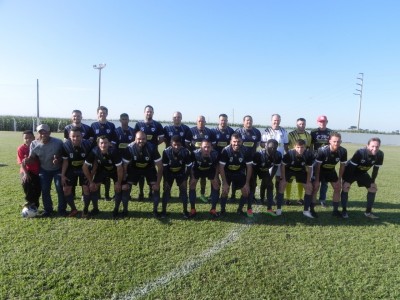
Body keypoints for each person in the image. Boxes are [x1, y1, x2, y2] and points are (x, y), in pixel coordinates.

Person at [25, 124, 65, 217]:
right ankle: (48, 210)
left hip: (57, 169)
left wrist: (58, 159)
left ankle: (62, 209)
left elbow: (64, 156)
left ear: (49, 133)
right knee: (45, 190)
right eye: (41, 133)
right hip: (44, 170)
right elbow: (32, 158)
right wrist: (27, 160)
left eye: (45, 132)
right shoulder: (34, 144)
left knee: (60, 188)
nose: (43, 134)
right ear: (38, 133)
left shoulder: (58, 142)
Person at [122, 131, 163, 218]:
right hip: (134, 169)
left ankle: (155, 211)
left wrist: (158, 183)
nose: (141, 141)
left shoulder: (152, 148)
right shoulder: (129, 148)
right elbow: (124, 166)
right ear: (135, 139)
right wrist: (124, 182)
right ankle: (125, 210)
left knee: (156, 190)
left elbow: (160, 166)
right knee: (126, 189)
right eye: (139, 139)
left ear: (146, 139)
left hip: (149, 169)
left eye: (143, 139)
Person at [341, 137, 384, 219]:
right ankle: (344, 211)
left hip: (362, 172)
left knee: (373, 188)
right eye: (372, 146)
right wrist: (346, 181)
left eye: (377, 146)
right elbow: (351, 168)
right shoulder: (360, 153)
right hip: (350, 171)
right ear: (367, 145)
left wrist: (372, 182)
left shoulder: (380, 154)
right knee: (345, 188)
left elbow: (375, 170)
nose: (375, 149)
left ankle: (368, 212)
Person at [82, 136, 123, 218]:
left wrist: (118, 182)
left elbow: (119, 168)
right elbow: (84, 167)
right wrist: (91, 182)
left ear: (109, 143)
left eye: (105, 143)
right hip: (102, 170)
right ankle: (95, 209)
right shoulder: (94, 151)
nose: (103, 145)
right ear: (98, 144)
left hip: (114, 171)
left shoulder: (114, 151)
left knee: (118, 188)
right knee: (93, 188)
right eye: (101, 143)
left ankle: (116, 210)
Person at [276, 139, 315, 218]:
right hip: (289, 170)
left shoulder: (308, 155)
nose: (300, 149)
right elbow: (283, 165)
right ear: (294, 147)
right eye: (298, 147)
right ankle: (278, 209)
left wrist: (308, 181)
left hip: (301, 171)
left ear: (305, 147)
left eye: (302, 147)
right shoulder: (289, 154)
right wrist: (283, 178)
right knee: (281, 185)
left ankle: (306, 211)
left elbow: (309, 168)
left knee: (309, 188)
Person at [313, 132, 347, 218]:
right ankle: (311, 210)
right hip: (319, 170)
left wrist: (339, 180)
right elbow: (317, 166)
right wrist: (317, 180)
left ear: (341, 142)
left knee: (337, 188)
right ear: (330, 141)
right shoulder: (322, 150)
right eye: (334, 141)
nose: (336, 143)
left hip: (331, 170)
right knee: (315, 187)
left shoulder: (343, 151)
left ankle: (335, 211)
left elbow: (342, 166)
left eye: (338, 141)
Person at [61, 127, 93, 217]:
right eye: (73, 136)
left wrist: (91, 174)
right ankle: (73, 209)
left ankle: (85, 210)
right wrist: (63, 175)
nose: (75, 138)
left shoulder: (88, 144)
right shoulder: (65, 145)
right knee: (66, 189)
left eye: (78, 136)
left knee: (86, 189)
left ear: (82, 136)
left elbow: (93, 160)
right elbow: (65, 161)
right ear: (69, 137)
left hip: (85, 169)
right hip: (71, 169)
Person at [134, 105, 164, 200]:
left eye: (150, 111)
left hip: (152, 154)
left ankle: (151, 191)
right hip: (140, 152)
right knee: (140, 174)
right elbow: (135, 139)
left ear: (153, 113)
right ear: (144, 113)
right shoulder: (138, 125)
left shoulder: (157, 125)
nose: (149, 113)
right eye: (147, 111)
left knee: (151, 172)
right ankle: (141, 192)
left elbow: (162, 139)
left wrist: (153, 146)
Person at [219, 133, 253, 217]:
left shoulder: (246, 150)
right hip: (227, 173)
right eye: (234, 141)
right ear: (230, 141)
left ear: (242, 141)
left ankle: (239, 209)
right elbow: (221, 167)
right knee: (225, 191)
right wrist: (225, 183)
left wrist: (247, 183)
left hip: (239, 172)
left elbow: (249, 167)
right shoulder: (225, 151)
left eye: (238, 141)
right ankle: (222, 210)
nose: (236, 143)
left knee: (245, 191)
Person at [90, 106, 118, 201]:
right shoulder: (93, 125)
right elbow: (91, 140)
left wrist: (110, 147)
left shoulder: (111, 125)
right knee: (98, 173)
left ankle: (107, 195)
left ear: (107, 114)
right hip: (97, 154)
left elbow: (114, 140)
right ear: (97, 114)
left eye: (104, 113)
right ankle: (97, 194)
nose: (102, 114)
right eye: (100, 113)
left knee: (107, 174)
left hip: (108, 153)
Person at [162, 135, 193, 218]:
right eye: (174, 144)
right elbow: (164, 167)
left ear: (181, 144)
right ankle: (163, 212)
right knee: (166, 191)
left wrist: (185, 177)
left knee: (183, 191)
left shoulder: (185, 152)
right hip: (169, 173)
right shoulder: (166, 152)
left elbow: (189, 166)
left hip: (181, 173)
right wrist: (167, 178)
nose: (176, 147)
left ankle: (185, 211)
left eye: (178, 145)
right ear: (171, 143)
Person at [189, 140, 220, 218]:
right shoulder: (194, 153)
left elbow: (217, 166)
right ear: (201, 147)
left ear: (211, 148)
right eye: (204, 147)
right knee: (192, 184)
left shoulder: (215, 154)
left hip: (209, 169)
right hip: (197, 169)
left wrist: (216, 177)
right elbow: (190, 166)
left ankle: (213, 209)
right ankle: (192, 209)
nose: (206, 149)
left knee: (216, 185)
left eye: (208, 147)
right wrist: (192, 177)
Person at [188, 115, 216, 203]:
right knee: (192, 177)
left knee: (203, 178)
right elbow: (186, 144)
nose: (201, 123)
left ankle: (202, 194)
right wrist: (193, 153)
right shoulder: (191, 131)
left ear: (205, 122)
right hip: (194, 159)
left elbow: (213, 144)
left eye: (203, 121)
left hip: (206, 158)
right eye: (199, 121)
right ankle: (191, 195)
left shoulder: (209, 132)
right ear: (196, 122)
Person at [234, 115, 261, 202]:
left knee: (252, 178)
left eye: (250, 121)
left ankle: (251, 195)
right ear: (243, 122)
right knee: (237, 176)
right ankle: (233, 195)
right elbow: (234, 144)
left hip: (252, 159)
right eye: (247, 120)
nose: (249, 122)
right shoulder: (238, 131)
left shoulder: (256, 132)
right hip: (239, 159)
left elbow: (257, 144)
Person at [261, 114, 289, 198]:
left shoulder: (284, 131)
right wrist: (268, 146)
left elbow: (286, 146)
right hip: (268, 159)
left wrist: (287, 157)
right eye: (274, 120)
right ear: (271, 120)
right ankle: (263, 197)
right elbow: (262, 144)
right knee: (266, 178)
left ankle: (277, 196)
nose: (276, 122)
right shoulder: (266, 131)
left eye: (278, 120)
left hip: (279, 158)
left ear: (280, 121)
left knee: (278, 178)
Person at [286, 118, 312, 205]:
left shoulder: (308, 135)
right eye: (300, 124)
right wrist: (289, 155)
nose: (302, 126)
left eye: (303, 124)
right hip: (292, 159)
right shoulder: (291, 134)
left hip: (302, 160)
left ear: (305, 124)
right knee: (289, 180)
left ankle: (300, 198)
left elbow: (308, 147)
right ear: (297, 125)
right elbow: (287, 146)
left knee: (301, 180)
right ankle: (287, 198)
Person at [252, 139, 282, 215]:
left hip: (265, 170)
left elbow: (275, 167)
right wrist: (253, 179)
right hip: (256, 170)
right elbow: (253, 168)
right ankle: (250, 205)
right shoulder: (258, 154)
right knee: (252, 185)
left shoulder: (278, 155)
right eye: (271, 147)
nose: (273, 149)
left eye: (275, 148)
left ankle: (269, 208)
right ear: (266, 146)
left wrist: (270, 178)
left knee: (269, 185)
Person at [310, 115, 333, 207]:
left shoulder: (330, 132)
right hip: (316, 158)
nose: (322, 123)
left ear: (327, 122)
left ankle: (322, 199)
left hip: (326, 159)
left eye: (324, 121)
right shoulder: (313, 132)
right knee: (315, 180)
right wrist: (311, 156)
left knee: (325, 181)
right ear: (317, 122)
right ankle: (312, 198)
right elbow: (311, 145)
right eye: (320, 121)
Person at [17, 130, 41, 208]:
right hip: (26, 170)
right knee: (26, 183)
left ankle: (35, 204)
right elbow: (21, 163)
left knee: (37, 188)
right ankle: (29, 201)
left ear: (34, 138)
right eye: (26, 138)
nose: (28, 139)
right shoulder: (21, 149)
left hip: (37, 171)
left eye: (30, 137)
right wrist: (26, 174)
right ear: (23, 139)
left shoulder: (38, 146)